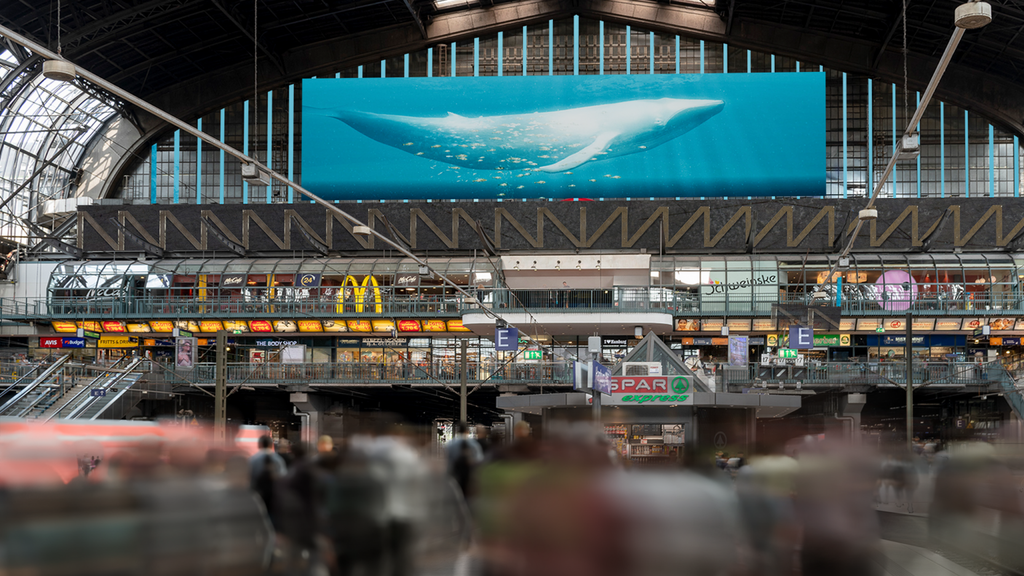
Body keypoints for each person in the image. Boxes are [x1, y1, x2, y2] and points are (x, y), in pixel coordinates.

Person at [249, 435, 286, 529]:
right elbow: (283, 477)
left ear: (259, 444)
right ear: (271, 445)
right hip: (275, 494)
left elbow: (250, 477)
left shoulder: (253, 460)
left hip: (258, 493)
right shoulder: (278, 460)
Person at [445, 422, 483, 500]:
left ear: (458, 431)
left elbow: (447, 460)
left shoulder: (450, 444)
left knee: (456, 494)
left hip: (455, 474)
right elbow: (479, 461)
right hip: (470, 475)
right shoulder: (474, 444)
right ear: (467, 431)